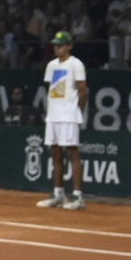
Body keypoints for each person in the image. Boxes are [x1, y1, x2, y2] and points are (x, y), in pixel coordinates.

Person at [37, 30, 88, 210]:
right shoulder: (51, 66)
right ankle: (59, 194)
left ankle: (78, 197)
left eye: (60, 45)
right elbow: (52, 90)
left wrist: (76, 112)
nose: (57, 48)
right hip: (54, 115)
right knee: (55, 154)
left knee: (73, 154)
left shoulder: (76, 64)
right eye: (55, 45)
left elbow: (83, 91)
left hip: (69, 115)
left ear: (69, 46)